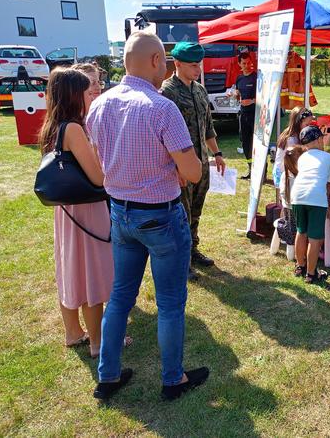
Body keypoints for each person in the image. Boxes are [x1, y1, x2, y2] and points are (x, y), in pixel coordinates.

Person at [86, 31, 208, 401]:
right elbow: (193, 172)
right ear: (157, 61)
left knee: (121, 296)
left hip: (121, 212)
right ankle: (173, 379)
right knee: (170, 302)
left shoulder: (99, 105)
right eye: (166, 61)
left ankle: (107, 375)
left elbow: (100, 161)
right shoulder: (161, 108)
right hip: (160, 215)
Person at [38, 68, 117, 359]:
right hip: (87, 210)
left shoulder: (53, 124)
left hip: (68, 211)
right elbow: (98, 177)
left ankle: (73, 332)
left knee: (71, 270)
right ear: (75, 96)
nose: (92, 96)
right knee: (92, 275)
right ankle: (98, 342)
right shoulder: (73, 128)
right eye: (87, 92)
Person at [160, 42, 226, 280]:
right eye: (192, 65)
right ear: (177, 64)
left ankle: (193, 249)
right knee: (181, 214)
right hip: (181, 166)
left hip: (201, 162)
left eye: (199, 64)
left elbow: (207, 126)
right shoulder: (166, 92)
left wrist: (217, 154)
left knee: (195, 211)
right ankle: (182, 261)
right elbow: (161, 135)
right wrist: (174, 166)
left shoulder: (200, 90)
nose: (198, 69)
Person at [291, 125, 330, 283]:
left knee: (301, 231)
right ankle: (311, 274)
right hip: (316, 197)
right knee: (315, 238)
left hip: (297, 195)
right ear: (318, 140)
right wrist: (328, 204)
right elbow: (328, 184)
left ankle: (300, 266)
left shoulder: (302, 158)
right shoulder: (329, 158)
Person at [273, 107, 314, 188]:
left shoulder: (291, 132)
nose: (309, 127)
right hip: (284, 175)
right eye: (307, 125)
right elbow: (297, 161)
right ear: (298, 122)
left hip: (285, 172)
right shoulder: (291, 140)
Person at [234, 51, 257, 179]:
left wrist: (252, 101)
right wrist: (235, 95)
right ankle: (250, 169)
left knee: (256, 143)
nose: (247, 65)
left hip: (255, 114)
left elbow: (264, 97)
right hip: (243, 114)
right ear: (239, 64)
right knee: (245, 142)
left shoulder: (256, 77)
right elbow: (238, 94)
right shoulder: (239, 78)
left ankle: (261, 171)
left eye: (249, 63)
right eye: (244, 63)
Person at [279, 145, 305, 246]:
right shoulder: (300, 178)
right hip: (298, 217)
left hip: (288, 215)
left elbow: (282, 196)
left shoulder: (284, 175)